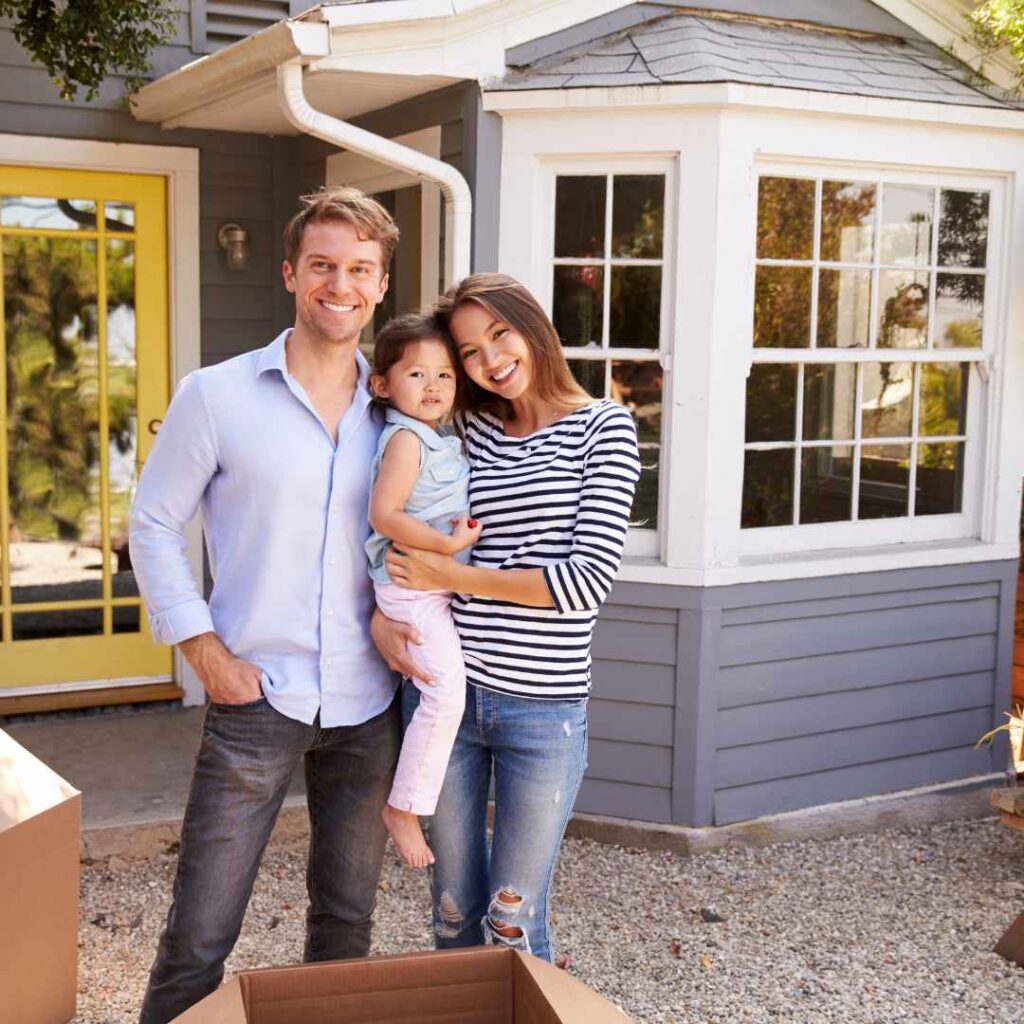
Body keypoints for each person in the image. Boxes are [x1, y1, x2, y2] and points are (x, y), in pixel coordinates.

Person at [129, 186, 422, 1024]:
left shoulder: (398, 408)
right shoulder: (216, 395)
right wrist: (202, 649)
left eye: (361, 269)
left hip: (370, 705)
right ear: (292, 273)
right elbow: (151, 525)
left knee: (346, 923)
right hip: (255, 696)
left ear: (380, 285)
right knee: (200, 934)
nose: (342, 284)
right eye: (324, 265)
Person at [381, 273, 641, 963]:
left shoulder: (604, 429)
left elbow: (585, 582)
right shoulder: (466, 427)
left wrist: (452, 575)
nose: (489, 360)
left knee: (512, 920)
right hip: (448, 699)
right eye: (468, 352)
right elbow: (384, 505)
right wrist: (383, 621)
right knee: (451, 910)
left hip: (544, 713)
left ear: (533, 325)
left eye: (499, 335)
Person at [364, 313, 478, 868]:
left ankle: (409, 803)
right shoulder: (407, 440)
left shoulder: (438, 437)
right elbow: (384, 514)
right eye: (416, 375)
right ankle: (404, 808)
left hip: (429, 586)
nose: (433, 387)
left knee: (441, 690)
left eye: (445, 376)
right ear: (382, 384)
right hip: (412, 586)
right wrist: (446, 548)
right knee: (444, 693)